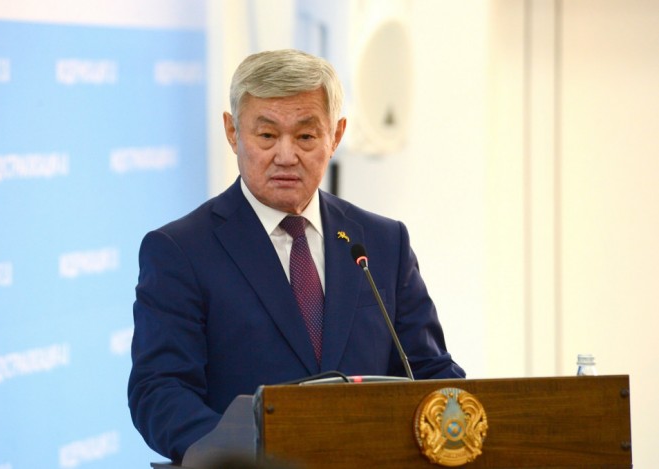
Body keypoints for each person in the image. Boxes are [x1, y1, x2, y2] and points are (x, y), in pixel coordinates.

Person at [128, 49, 465, 462]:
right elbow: (160, 392)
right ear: (233, 132)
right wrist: (248, 457)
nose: (286, 156)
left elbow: (430, 373)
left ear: (336, 135)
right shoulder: (181, 250)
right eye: (267, 136)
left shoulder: (381, 242)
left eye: (305, 137)